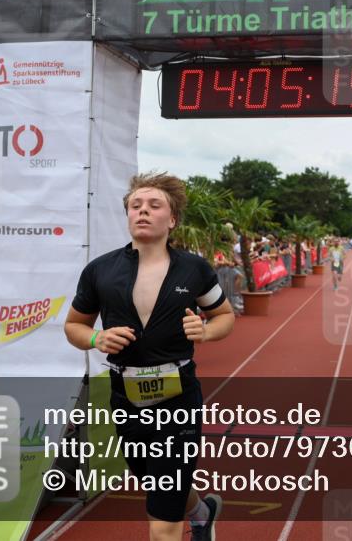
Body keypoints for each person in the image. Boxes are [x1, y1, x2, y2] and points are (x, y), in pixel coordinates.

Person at [64, 172, 235, 541]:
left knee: (162, 513)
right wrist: (96, 337)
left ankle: (185, 518)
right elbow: (73, 327)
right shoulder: (100, 271)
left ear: (172, 219)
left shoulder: (194, 268)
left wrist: (205, 331)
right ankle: (201, 511)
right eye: (135, 206)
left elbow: (224, 316)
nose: (142, 211)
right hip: (125, 396)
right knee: (154, 480)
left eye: (154, 205)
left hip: (179, 397)